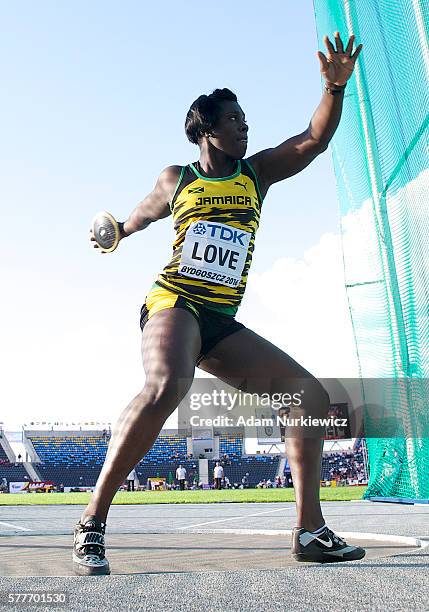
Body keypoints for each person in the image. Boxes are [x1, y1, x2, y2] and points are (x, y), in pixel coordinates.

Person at [73, 31, 365, 575]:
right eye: (234, 119)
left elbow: (312, 140)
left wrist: (335, 89)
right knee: (168, 385)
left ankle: (310, 531)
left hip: (220, 318)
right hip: (174, 302)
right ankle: (92, 521)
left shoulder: (255, 174)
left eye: (246, 120)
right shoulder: (176, 178)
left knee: (309, 397)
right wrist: (116, 230)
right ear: (206, 128)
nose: (245, 126)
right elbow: (136, 217)